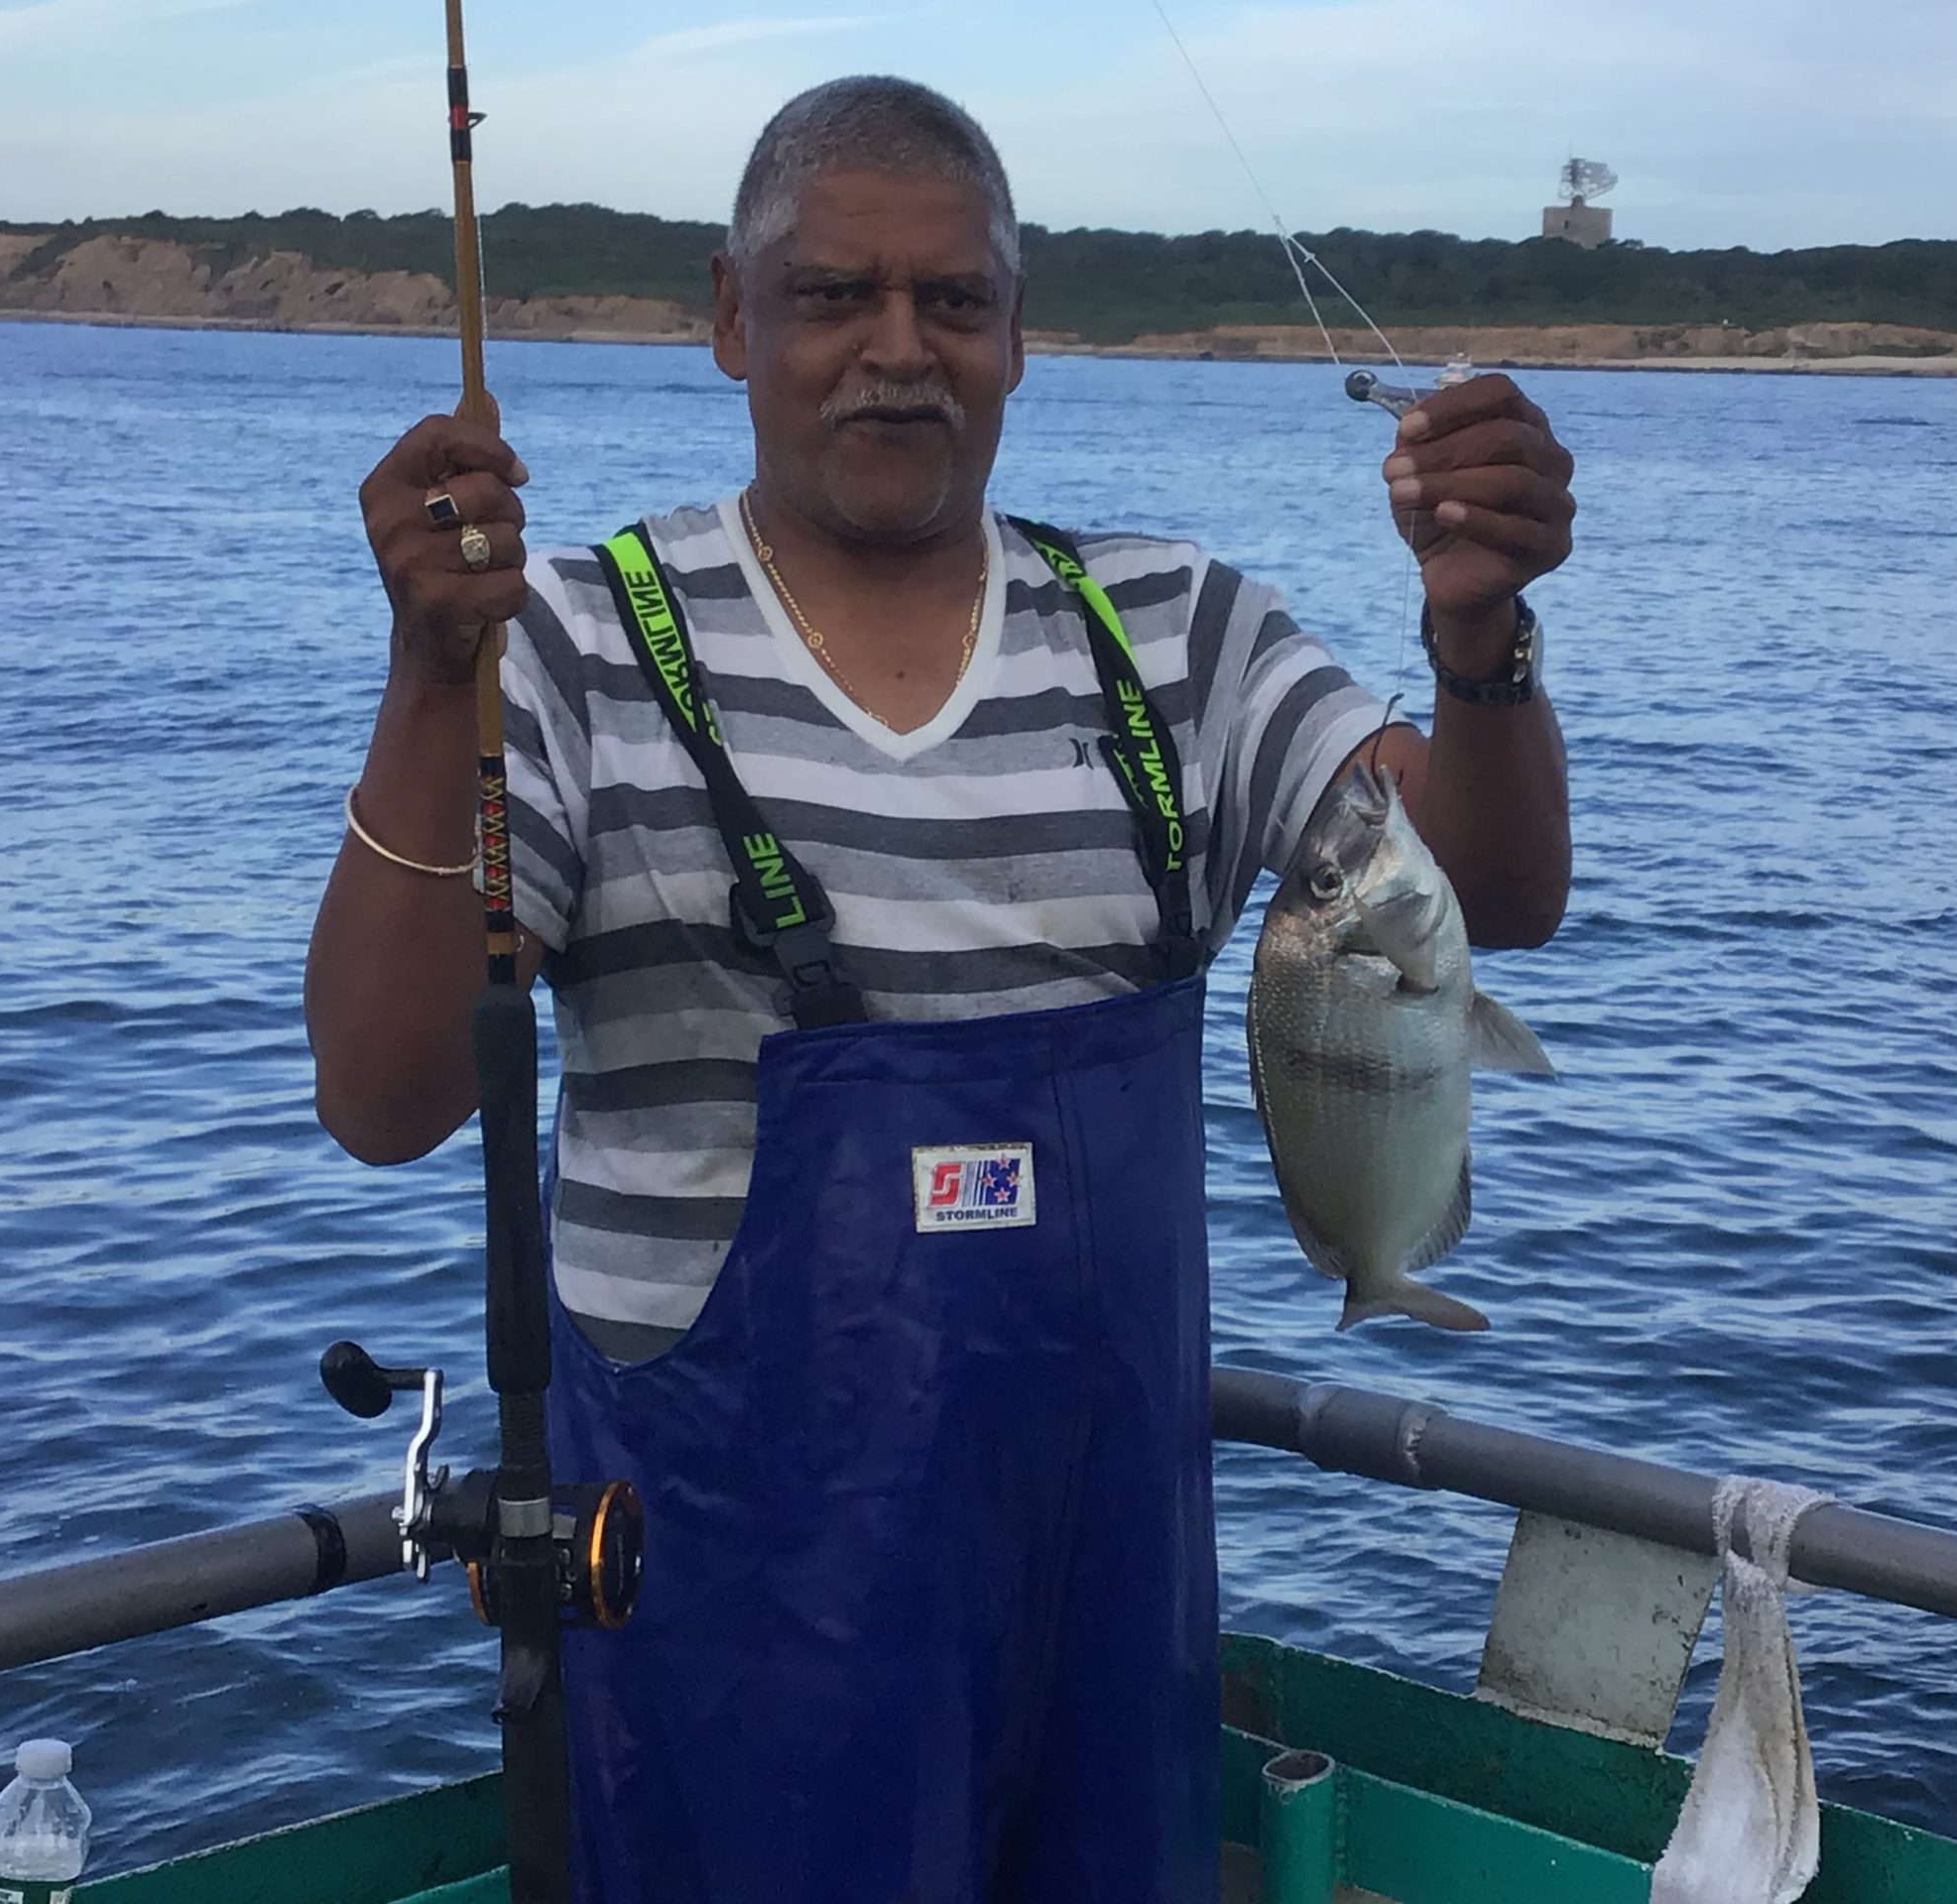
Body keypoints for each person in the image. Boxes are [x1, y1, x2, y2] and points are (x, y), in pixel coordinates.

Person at [304, 73, 1574, 1904]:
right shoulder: (569, 645)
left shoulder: (1178, 634)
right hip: (732, 1607)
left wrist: (1479, 637)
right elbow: (383, 1096)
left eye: (953, 301)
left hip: (1107, 1591)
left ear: (1019, 332)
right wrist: (435, 676)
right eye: (834, 296)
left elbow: (1484, 899)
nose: (898, 350)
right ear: (731, 318)